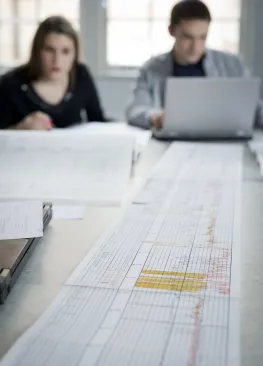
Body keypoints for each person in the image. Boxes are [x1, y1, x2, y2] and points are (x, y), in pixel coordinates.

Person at [126, 0, 263, 129]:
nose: (195, 47)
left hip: (227, 141)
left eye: (202, 37)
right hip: (171, 143)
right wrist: (157, 117)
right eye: (187, 37)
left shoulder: (233, 65)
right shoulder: (150, 69)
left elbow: (256, 110)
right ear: (171, 31)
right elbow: (135, 111)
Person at [0, 16, 107, 130]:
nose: (57, 60)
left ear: (75, 54)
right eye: (49, 50)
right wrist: (20, 128)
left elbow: (98, 121)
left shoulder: (81, 74)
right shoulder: (10, 84)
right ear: (37, 51)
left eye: (65, 51)